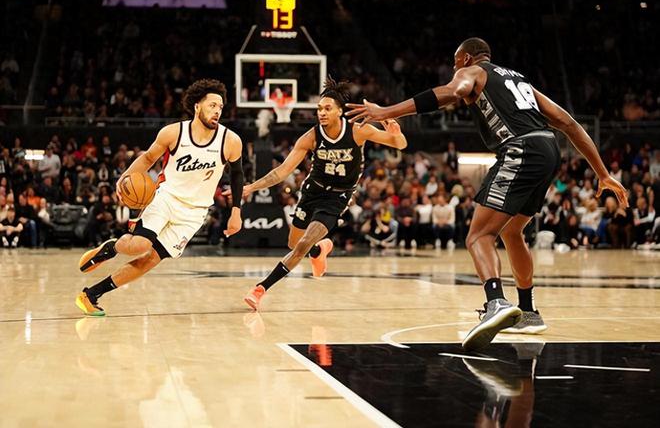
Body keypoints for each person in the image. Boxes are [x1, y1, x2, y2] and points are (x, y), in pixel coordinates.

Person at [347, 37, 628, 350]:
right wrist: (603, 173)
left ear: (467, 58)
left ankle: (496, 302)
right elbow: (569, 123)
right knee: (512, 232)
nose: (455, 69)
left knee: (478, 236)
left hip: (520, 149)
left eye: (456, 63)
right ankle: (528, 312)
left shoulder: (473, 72)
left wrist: (387, 111)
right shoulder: (520, 81)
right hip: (548, 149)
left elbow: (451, 93)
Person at [75, 79, 244, 316]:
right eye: (212, 105)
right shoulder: (174, 133)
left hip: (194, 213)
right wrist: (124, 177)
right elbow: (147, 158)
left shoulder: (231, 141)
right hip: (166, 198)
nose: (217, 111)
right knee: (139, 245)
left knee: (150, 260)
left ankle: (90, 295)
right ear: (197, 106)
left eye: (220, 107)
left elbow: (237, 175)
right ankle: (111, 247)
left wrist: (236, 212)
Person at [235, 77, 407, 310]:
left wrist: (394, 129)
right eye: (319, 109)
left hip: (337, 197)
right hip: (312, 191)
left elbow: (400, 144)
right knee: (294, 243)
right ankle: (320, 250)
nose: (322, 113)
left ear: (339, 112)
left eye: (327, 109)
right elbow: (282, 171)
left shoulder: (358, 130)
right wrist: (250, 187)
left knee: (303, 243)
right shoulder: (311, 137)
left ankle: (260, 289)